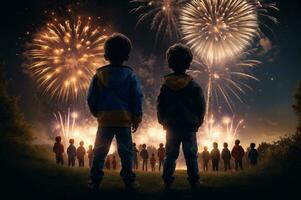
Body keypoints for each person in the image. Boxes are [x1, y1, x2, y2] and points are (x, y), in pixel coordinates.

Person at [87, 33, 143, 190]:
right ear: (127, 56)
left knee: (99, 151)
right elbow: (137, 97)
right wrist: (137, 117)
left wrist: (96, 113)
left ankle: (95, 179)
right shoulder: (131, 75)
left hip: (105, 119)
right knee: (126, 152)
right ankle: (129, 180)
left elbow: (91, 97)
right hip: (124, 120)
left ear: (106, 55)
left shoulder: (98, 75)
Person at [157, 44, 206, 189]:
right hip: (189, 125)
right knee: (191, 155)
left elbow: (160, 105)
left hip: (171, 125)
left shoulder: (165, 85)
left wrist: (162, 120)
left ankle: (166, 181)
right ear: (188, 63)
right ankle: (194, 181)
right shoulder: (193, 85)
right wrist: (199, 120)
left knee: (170, 155)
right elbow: (201, 106)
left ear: (169, 63)